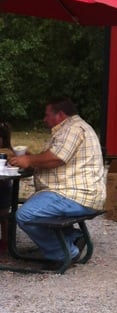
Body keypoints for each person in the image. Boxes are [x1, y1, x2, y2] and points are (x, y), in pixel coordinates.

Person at [8, 98, 106, 266]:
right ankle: (74, 237)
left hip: (74, 195)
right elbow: (53, 157)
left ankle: (64, 253)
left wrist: (29, 160)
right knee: (38, 205)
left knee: (26, 214)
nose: (44, 119)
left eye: (47, 115)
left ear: (60, 114)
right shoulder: (73, 128)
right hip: (77, 193)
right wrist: (32, 158)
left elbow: (56, 158)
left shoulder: (72, 129)